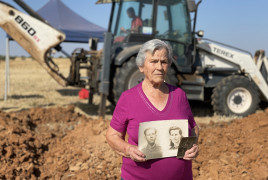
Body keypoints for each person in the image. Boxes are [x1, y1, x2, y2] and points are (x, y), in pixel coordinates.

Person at [106, 39, 199, 180]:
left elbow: (193, 128)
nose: (159, 67)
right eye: (154, 62)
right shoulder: (128, 98)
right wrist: (128, 149)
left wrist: (192, 145)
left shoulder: (179, 95)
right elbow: (112, 136)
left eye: (164, 62)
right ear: (141, 66)